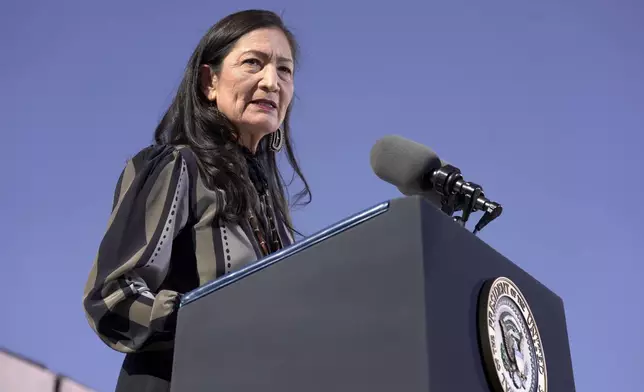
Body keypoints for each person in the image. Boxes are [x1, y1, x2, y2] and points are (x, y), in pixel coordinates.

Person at [82, 9, 311, 392]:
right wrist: (205, 318)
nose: (271, 82)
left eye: (284, 71)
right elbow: (112, 296)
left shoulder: (273, 208)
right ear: (210, 81)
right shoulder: (176, 165)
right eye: (253, 63)